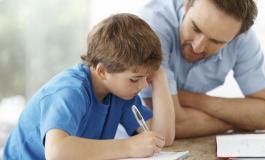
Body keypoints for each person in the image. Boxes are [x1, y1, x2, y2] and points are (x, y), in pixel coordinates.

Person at [3, 13, 175, 159]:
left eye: (147, 77)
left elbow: (162, 138)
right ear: (102, 71)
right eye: (135, 79)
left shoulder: (121, 93)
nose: (144, 85)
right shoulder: (70, 91)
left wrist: (160, 79)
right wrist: (129, 146)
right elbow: (56, 152)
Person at [138, 0, 265, 138]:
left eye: (216, 41)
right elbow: (168, 124)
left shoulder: (241, 36)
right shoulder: (152, 26)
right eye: (195, 28)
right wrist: (241, 122)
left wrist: (193, 99)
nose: (197, 47)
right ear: (187, 3)